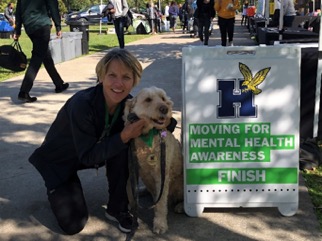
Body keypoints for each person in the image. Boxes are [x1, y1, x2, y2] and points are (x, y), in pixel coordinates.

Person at [28, 49, 146, 235]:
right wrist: (124, 135)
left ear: (134, 81)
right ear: (101, 77)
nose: (118, 83)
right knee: (74, 224)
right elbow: (89, 155)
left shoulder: (129, 103)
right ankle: (59, 188)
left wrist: (163, 123)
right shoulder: (82, 104)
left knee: (123, 147)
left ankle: (117, 208)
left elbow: (163, 122)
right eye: (112, 75)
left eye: (126, 77)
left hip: (92, 152)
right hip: (61, 159)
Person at [14, 0, 68, 103]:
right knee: (37, 57)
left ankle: (59, 84)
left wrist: (17, 30)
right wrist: (58, 26)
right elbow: (53, 7)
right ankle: (24, 91)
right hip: (42, 26)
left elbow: (19, 11)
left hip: (29, 27)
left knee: (45, 55)